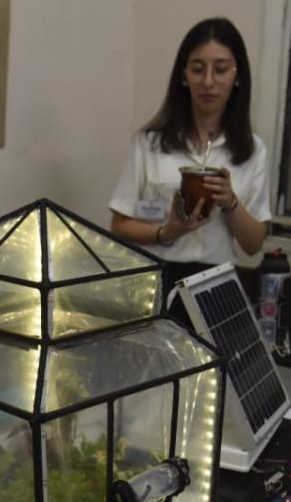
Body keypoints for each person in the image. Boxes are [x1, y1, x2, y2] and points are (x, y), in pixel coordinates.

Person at [109, 17, 271, 313]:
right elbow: (119, 225)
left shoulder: (252, 150)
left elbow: (253, 244)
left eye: (220, 69)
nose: (208, 81)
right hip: (156, 279)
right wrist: (167, 232)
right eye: (198, 69)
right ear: (184, 75)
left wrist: (230, 202)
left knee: (214, 360)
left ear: (237, 76)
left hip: (217, 284)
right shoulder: (149, 143)